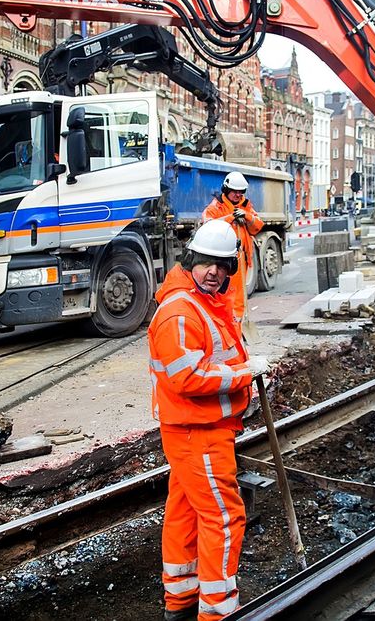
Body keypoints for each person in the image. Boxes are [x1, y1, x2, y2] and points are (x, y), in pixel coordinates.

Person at [147, 219, 269, 621]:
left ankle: (181, 602)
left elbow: (219, 356)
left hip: (199, 429)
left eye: (222, 265)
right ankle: (218, 613)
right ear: (191, 260)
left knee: (185, 514)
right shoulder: (180, 312)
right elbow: (187, 376)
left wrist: (245, 371)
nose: (214, 272)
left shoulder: (204, 302)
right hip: (197, 431)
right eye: (206, 263)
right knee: (223, 517)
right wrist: (245, 374)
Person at [201, 171, 263, 322]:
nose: (238, 195)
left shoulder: (246, 206)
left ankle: (238, 324)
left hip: (240, 258)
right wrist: (230, 218)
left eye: (241, 191)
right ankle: (225, 322)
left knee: (239, 294)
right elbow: (208, 225)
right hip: (223, 259)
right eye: (235, 191)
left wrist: (247, 216)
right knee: (223, 293)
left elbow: (258, 225)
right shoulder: (216, 206)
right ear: (226, 190)